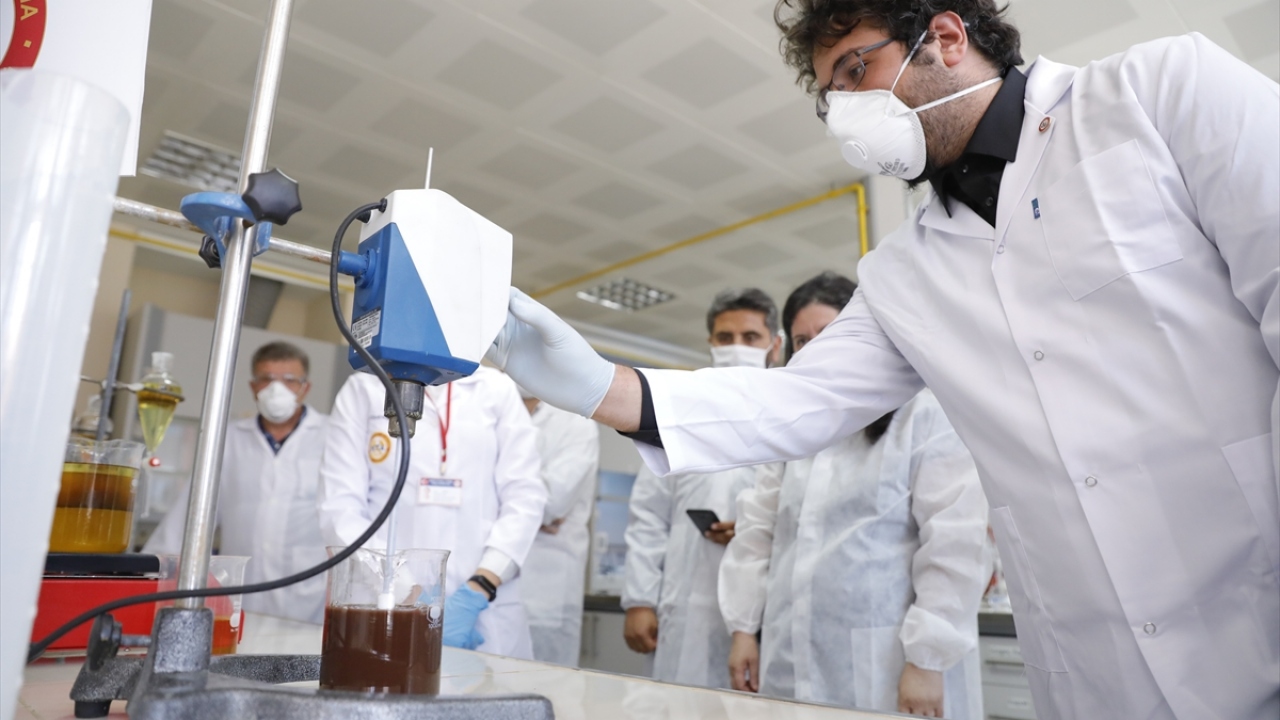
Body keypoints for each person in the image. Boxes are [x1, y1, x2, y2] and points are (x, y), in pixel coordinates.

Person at [485, 3, 1280, 719]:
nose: (842, 112)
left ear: (946, 36)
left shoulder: (1160, 93)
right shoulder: (904, 271)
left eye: (854, 70)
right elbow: (796, 403)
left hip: (1256, 610)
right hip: (1092, 669)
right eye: (828, 96)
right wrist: (600, 385)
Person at [720, 272, 987, 718]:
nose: (816, 350)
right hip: (790, 652)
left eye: (828, 333)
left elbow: (955, 544)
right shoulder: (791, 429)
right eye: (802, 341)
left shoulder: (923, 413)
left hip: (893, 662)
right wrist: (744, 629)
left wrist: (928, 660)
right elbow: (756, 532)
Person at [318, 366, 546, 658]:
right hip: (388, 601)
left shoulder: (495, 388)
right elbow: (340, 508)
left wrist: (480, 587)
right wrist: (408, 593)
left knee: (492, 685)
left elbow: (525, 496)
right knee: (384, 682)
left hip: (485, 607)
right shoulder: (363, 388)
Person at [620, 288, 780, 689]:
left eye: (750, 337)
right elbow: (649, 515)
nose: (736, 347)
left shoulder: (791, 418)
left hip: (763, 610)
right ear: (710, 343)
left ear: (774, 345)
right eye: (725, 338)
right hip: (684, 606)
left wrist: (755, 530)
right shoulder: (680, 413)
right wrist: (640, 600)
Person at [145, 341, 329, 624]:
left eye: (289, 380)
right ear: (253, 386)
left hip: (310, 598)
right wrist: (147, 570)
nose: (276, 390)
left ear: (306, 387)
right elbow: (190, 514)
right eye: (267, 379)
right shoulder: (228, 439)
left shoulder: (332, 436)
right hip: (242, 596)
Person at [519, 387, 600, 666]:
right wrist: (528, 507)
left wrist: (504, 501)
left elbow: (552, 502)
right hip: (486, 587)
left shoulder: (576, 422)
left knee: (546, 683)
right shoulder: (490, 408)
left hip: (546, 592)